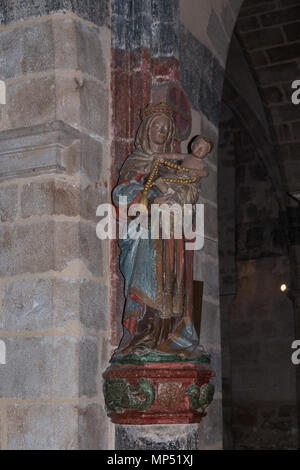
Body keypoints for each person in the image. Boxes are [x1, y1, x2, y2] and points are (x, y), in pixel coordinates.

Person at [111, 103, 208, 362]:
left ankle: (174, 337)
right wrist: (152, 202)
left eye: (167, 128)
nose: (163, 132)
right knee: (146, 277)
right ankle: (142, 335)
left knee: (173, 282)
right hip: (145, 234)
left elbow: (187, 193)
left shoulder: (173, 165)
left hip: (172, 235)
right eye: (158, 126)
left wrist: (180, 196)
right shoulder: (136, 161)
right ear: (147, 129)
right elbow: (121, 194)